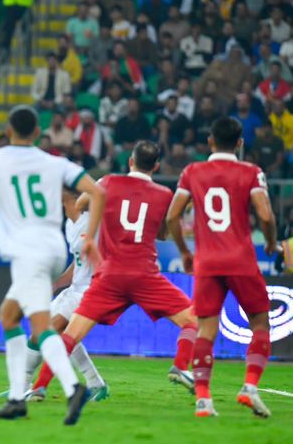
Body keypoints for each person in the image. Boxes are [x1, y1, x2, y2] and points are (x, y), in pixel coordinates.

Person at [0, 105, 105, 424]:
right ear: (37, 133)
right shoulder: (55, 162)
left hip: (28, 252)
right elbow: (97, 191)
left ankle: (72, 386)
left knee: (40, 327)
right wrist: (90, 237)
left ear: (8, 132)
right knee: (9, 316)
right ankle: (16, 397)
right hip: (53, 249)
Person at [60, 141, 198, 399]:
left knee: (61, 331)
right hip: (138, 273)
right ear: (156, 165)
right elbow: (163, 232)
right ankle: (180, 366)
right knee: (193, 320)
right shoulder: (162, 194)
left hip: (103, 278)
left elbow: (82, 204)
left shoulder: (106, 185)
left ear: (130, 161)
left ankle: (40, 387)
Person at [166, 117, 278, 418]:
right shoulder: (251, 171)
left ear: (210, 142)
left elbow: (172, 216)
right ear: (240, 143)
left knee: (206, 330)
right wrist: (270, 242)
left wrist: (184, 252)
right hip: (241, 259)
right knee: (259, 323)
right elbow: (265, 215)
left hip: (207, 261)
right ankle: (250, 388)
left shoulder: (193, 171)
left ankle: (203, 400)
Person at [25, 190, 108, 402]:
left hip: (92, 290)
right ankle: (95, 383)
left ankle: (33, 387)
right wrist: (55, 284)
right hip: (75, 289)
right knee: (38, 332)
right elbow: (78, 263)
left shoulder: (93, 222)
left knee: (52, 331)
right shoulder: (70, 224)